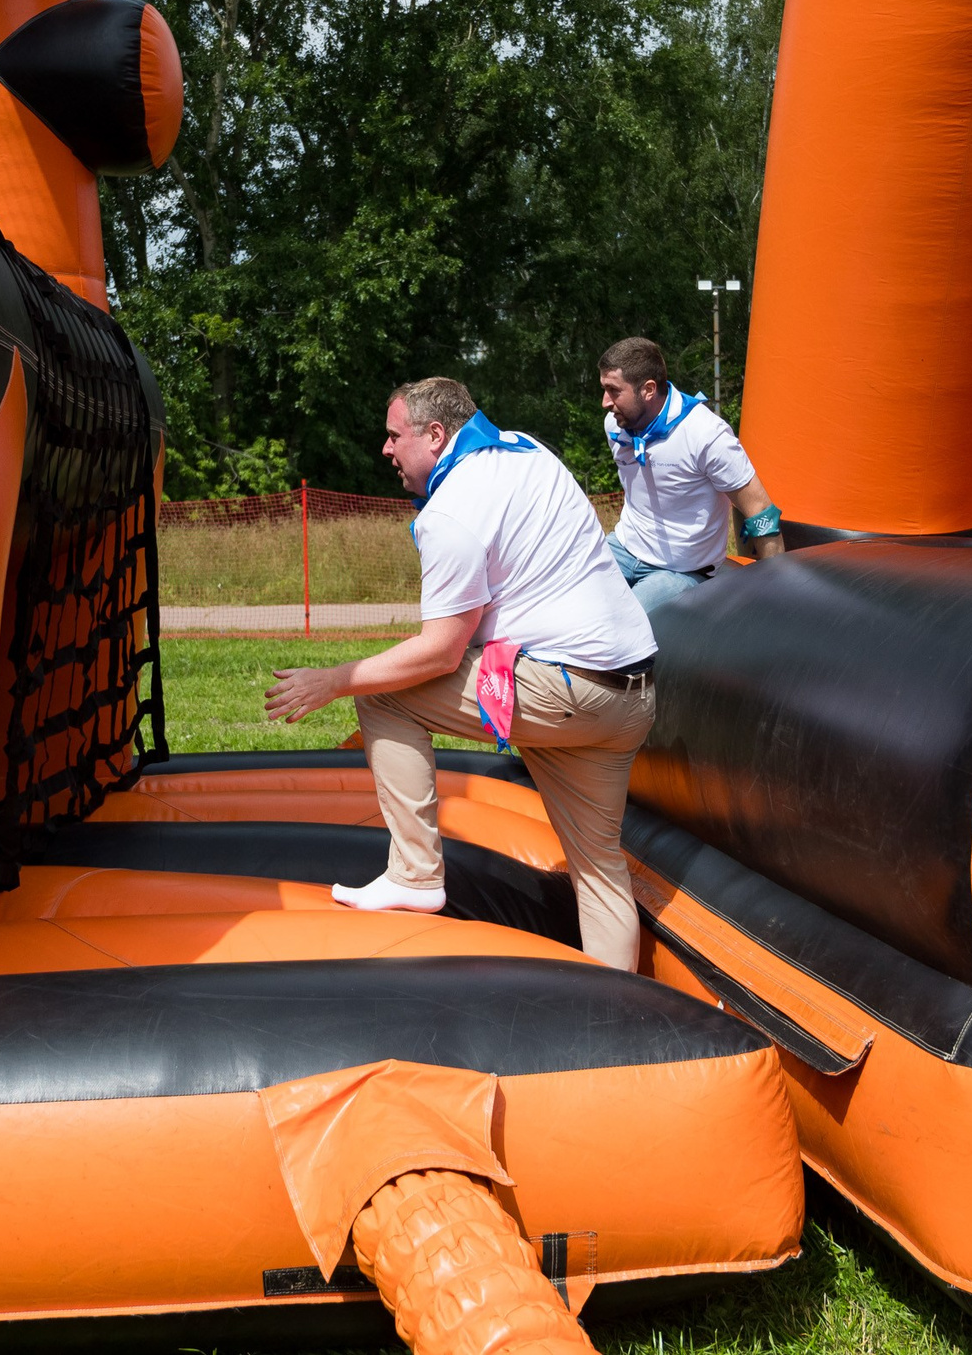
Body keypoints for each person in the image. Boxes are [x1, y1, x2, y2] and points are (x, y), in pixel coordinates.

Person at [262, 377, 657, 970]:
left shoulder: (451, 512)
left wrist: (337, 679)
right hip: (630, 696)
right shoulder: (523, 449)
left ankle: (416, 874)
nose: (386, 449)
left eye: (395, 436)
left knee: (385, 696)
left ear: (435, 435)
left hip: (564, 688)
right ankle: (619, 1019)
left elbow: (442, 652)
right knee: (599, 869)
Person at [598, 337, 781, 611]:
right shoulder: (615, 425)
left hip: (683, 570)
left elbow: (760, 510)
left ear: (648, 389)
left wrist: (778, 593)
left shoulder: (705, 434)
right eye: (604, 389)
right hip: (624, 547)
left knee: (624, 624)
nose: (605, 402)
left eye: (613, 391)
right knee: (562, 593)